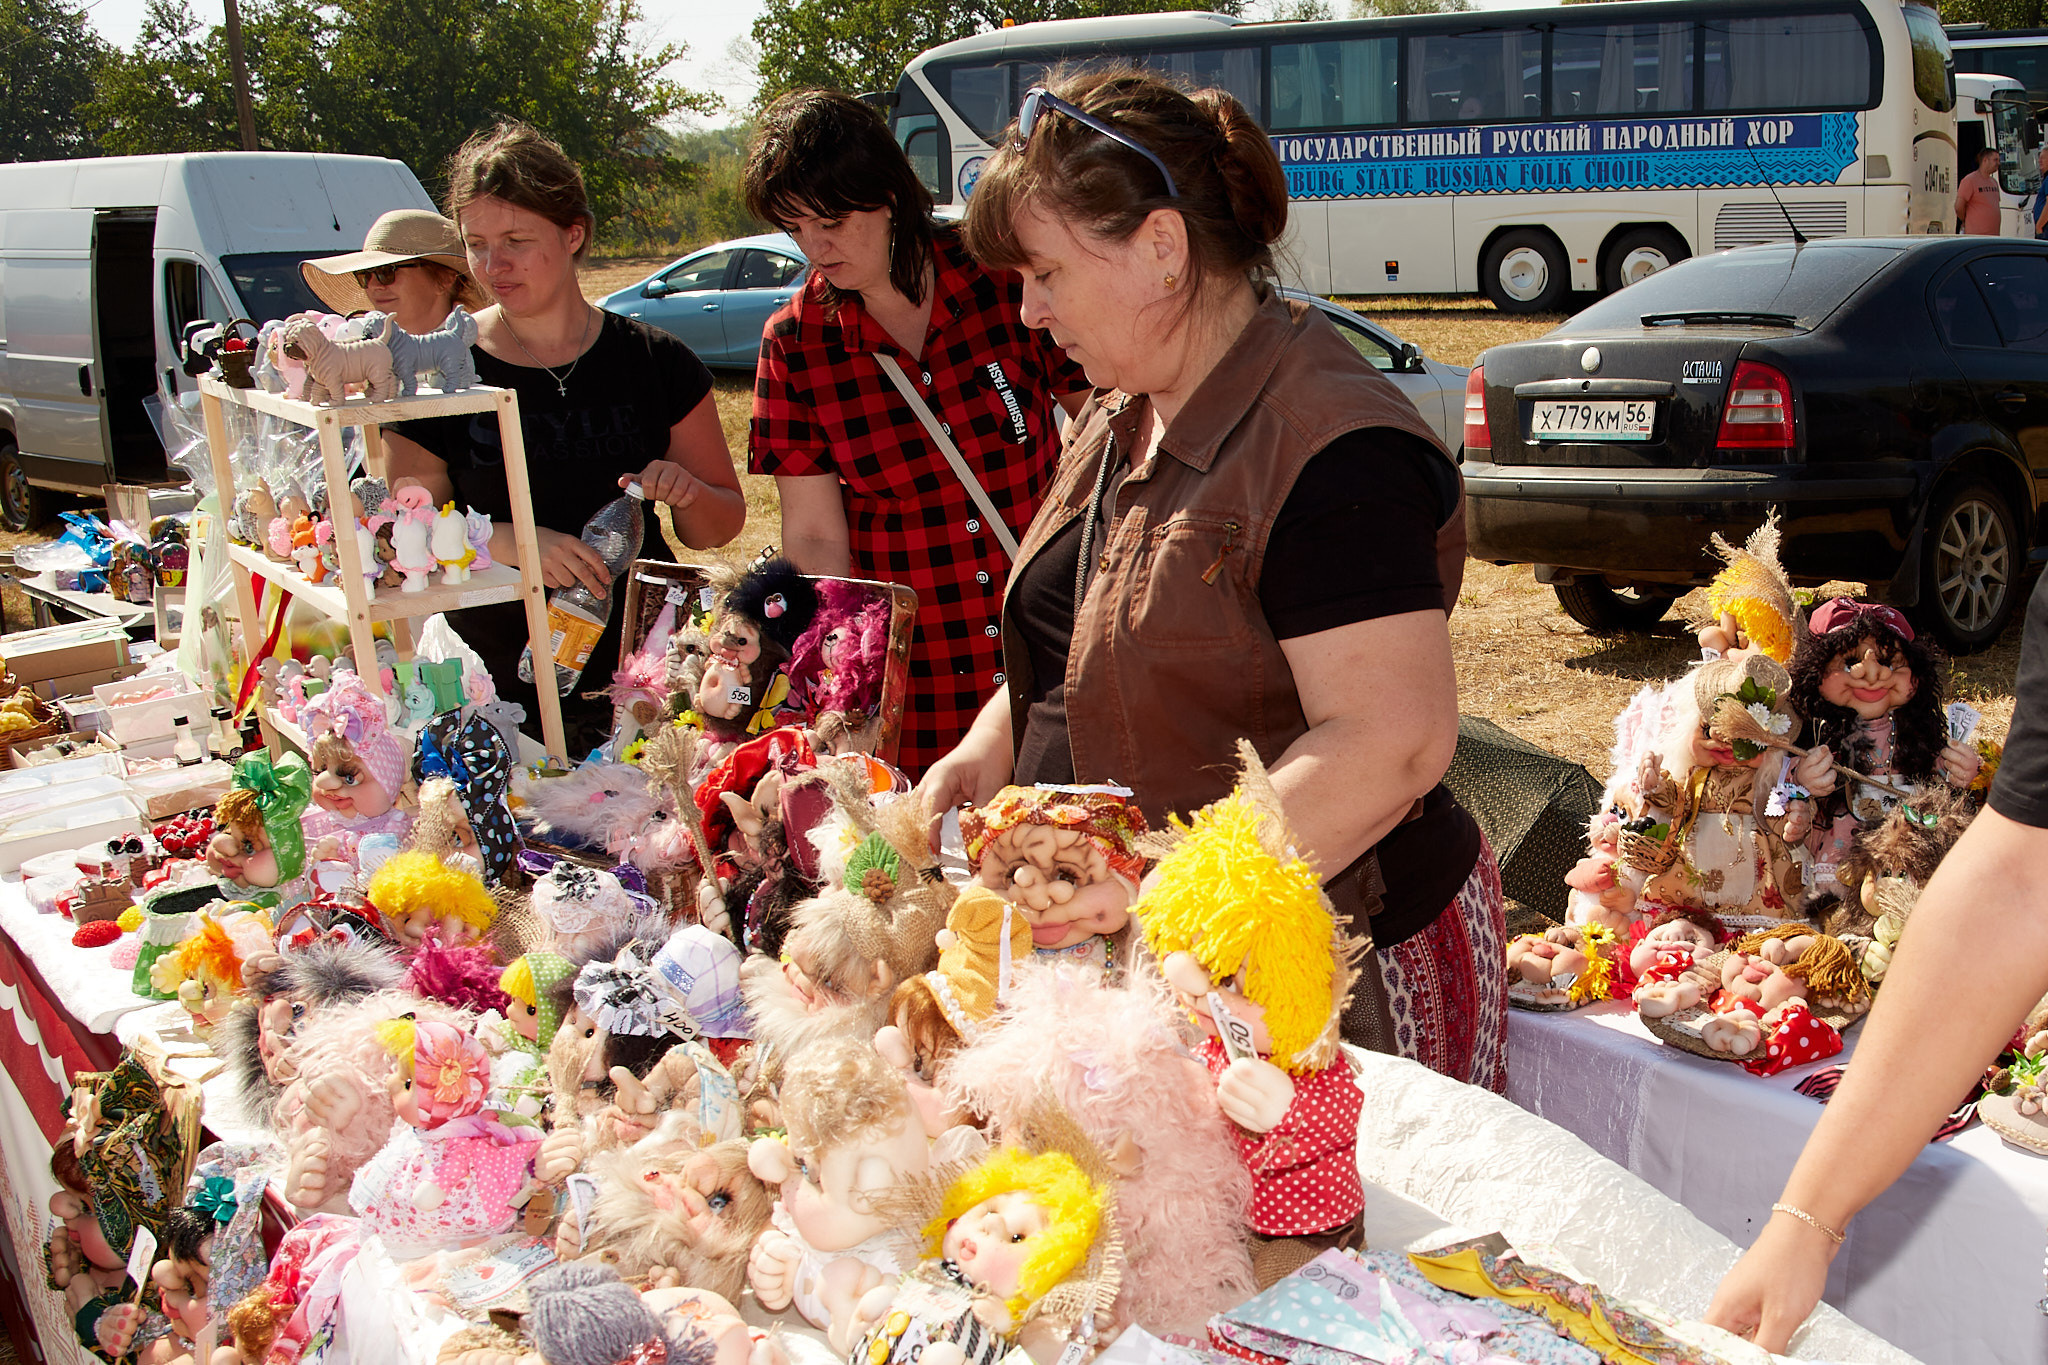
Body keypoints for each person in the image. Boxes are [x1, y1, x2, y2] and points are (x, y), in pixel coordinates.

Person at [917, 68, 1508, 1086]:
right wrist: (992, 743)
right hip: (1161, 956)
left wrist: (1165, 902)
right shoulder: (1127, 402)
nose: (1028, 310)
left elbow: (1391, 742)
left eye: (1046, 272)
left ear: (1160, 246)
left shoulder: (1333, 447)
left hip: (1323, 974)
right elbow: (1092, 627)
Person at [1705, 568, 2048, 1351]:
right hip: (1847, 884)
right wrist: (1806, 1220)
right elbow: (2014, 885)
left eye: (1886, 662)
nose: (1868, 675)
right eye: (1849, 661)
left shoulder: (1928, 741)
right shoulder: (1816, 747)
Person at [744, 89, 1090, 779]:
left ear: (890, 197)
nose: (816, 247)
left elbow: (1103, 417)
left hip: (1052, 640)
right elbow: (816, 540)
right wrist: (840, 681)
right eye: (795, 228)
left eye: (833, 221)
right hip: (921, 672)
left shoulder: (1001, 278)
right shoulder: (794, 343)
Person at [380, 121, 746, 755]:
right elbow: (399, 537)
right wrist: (512, 542)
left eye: (517, 241)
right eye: (476, 244)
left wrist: (687, 492)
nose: (494, 265)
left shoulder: (655, 360)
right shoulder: (435, 371)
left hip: (647, 682)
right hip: (492, 695)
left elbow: (719, 525)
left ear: (573, 233)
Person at [301, 208, 490, 335]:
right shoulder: (356, 355)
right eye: (365, 275)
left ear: (444, 279)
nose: (373, 285)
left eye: (386, 272)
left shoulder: (487, 353)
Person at [1958, 146, 2006, 236]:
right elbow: (1958, 206)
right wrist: (1966, 219)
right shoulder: (1970, 180)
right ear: (1985, 160)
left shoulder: (1994, 182)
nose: (1998, 163)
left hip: (1993, 236)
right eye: (1995, 160)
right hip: (1976, 237)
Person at [2031, 147, 2048, 239]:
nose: (2039, 161)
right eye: (2039, 158)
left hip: (2045, 228)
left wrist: (2039, 226)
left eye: (2043, 158)